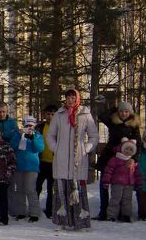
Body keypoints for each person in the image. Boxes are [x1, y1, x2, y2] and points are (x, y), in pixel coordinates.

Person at [46, 89, 98, 230]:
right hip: (62, 158)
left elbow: (94, 135)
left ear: (77, 98)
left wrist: (86, 148)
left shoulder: (85, 115)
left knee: (77, 189)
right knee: (62, 188)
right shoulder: (59, 114)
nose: (70, 100)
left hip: (78, 158)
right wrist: (56, 148)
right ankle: (61, 221)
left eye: (73, 97)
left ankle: (79, 222)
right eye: (68, 97)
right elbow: (50, 134)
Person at [9, 115, 44, 221]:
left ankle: (34, 212)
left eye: (31, 125)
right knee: (20, 190)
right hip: (19, 166)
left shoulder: (37, 135)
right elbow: (12, 146)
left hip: (32, 167)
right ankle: (21, 211)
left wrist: (32, 138)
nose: (29, 128)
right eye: (27, 125)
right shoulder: (18, 134)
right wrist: (20, 136)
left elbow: (39, 148)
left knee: (30, 189)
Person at [37, 104, 57, 217]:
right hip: (41, 162)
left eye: (53, 114)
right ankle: (35, 209)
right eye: (48, 114)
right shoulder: (40, 127)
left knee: (51, 189)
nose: (50, 116)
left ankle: (50, 211)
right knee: (37, 187)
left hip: (54, 163)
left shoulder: (59, 129)